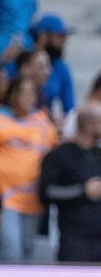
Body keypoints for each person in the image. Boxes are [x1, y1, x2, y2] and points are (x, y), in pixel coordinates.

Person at [39, 103, 101, 263]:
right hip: (76, 241)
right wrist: (83, 192)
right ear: (90, 124)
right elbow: (46, 192)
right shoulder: (60, 155)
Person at [0, 77, 58, 262]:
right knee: (12, 250)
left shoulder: (45, 127)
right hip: (7, 198)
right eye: (22, 92)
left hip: (34, 199)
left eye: (31, 93)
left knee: (27, 248)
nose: (27, 97)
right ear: (12, 95)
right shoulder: (2, 121)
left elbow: (54, 156)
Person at [32, 14, 75, 119]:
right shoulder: (21, 60)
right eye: (60, 36)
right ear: (43, 36)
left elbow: (70, 110)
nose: (64, 42)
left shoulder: (61, 67)